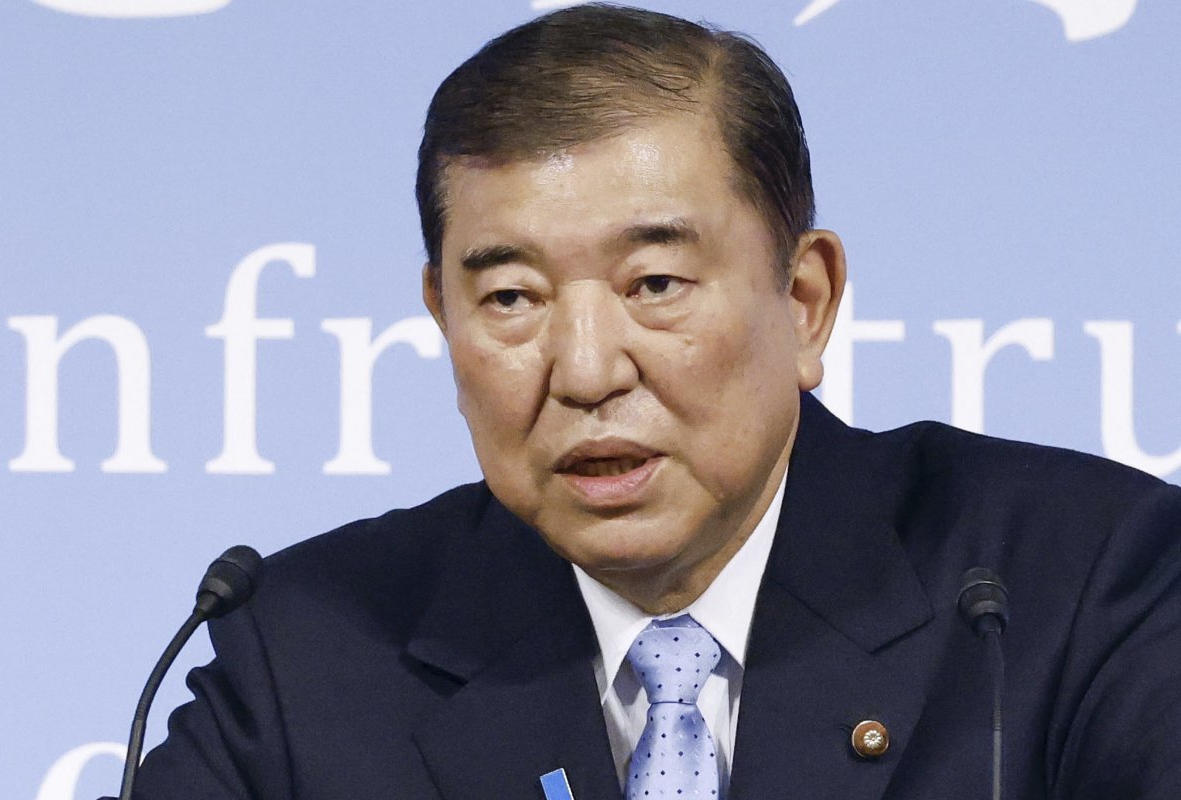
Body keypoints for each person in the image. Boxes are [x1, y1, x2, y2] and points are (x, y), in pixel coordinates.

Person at [122, 4, 1181, 799]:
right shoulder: (308, 656)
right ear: (443, 315)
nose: (586, 371)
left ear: (804, 301)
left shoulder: (1076, 584)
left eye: (655, 284)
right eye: (511, 297)